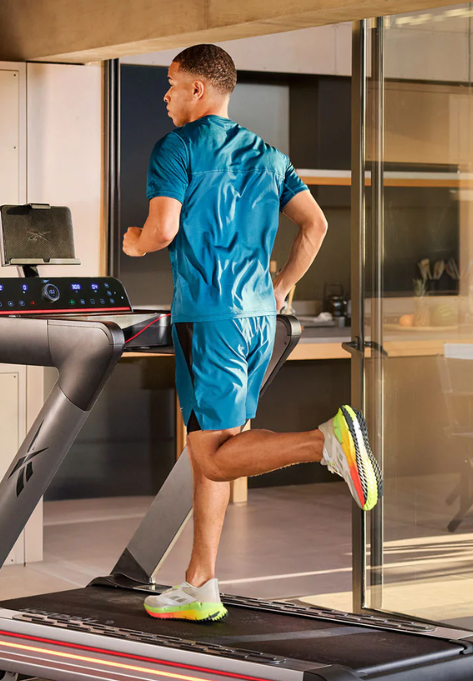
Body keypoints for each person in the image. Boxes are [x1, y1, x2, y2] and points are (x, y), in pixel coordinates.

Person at [123, 44, 381, 623]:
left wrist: (133, 239)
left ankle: (326, 443)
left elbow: (162, 232)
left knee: (211, 458)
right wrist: (283, 284)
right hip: (260, 319)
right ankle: (200, 584)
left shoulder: (176, 148)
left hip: (210, 319)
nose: (164, 96)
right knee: (219, 446)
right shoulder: (269, 154)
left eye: (171, 84)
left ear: (197, 89)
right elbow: (315, 225)